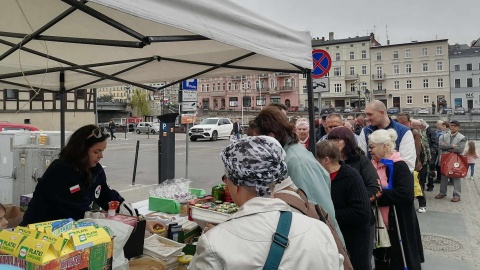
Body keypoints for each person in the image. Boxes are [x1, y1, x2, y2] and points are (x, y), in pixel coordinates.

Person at [190, 136, 344, 269]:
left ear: (236, 184)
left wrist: (214, 236)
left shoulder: (214, 244)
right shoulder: (320, 231)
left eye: (226, 179)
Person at [20, 125, 161, 232]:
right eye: (96, 151)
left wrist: (141, 220)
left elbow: (108, 197)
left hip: (69, 232)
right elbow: (79, 213)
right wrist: (123, 222)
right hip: (39, 232)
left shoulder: (96, 170)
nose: (101, 156)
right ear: (80, 150)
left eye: (102, 151)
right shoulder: (61, 171)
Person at [249, 106, 344, 244]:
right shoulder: (287, 155)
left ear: (271, 136)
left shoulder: (297, 161)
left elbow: (319, 210)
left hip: (319, 245)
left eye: (257, 140)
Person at [369, 129, 424, 270]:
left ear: (385, 147)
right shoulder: (371, 165)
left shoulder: (399, 165)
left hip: (398, 222)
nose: (369, 150)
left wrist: (376, 196)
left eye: (372, 147)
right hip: (380, 223)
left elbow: (405, 194)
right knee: (381, 260)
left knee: (400, 260)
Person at [316, 141, 371, 270]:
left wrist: (328, 215)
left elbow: (361, 212)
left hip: (354, 240)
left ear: (326, 160)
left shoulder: (350, 176)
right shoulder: (322, 177)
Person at [358, 100, 416, 172]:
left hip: (396, 180)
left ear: (381, 113)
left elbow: (408, 164)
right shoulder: (365, 131)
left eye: (370, 114)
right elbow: (361, 160)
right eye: (366, 115)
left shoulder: (403, 131)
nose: (366, 118)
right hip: (373, 180)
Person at [436, 120, 467, 202]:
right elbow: (440, 146)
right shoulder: (443, 136)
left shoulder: (462, 137)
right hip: (444, 159)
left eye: (454, 126)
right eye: (451, 125)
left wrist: (447, 147)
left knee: (456, 176)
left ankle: (457, 195)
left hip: (455, 159)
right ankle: (442, 192)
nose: (452, 127)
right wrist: (452, 146)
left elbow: (460, 149)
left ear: (458, 127)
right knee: (443, 175)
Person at [419, 119, 438, 191]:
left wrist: (431, 152)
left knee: (430, 169)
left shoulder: (430, 131)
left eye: (420, 126)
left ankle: (430, 185)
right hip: (424, 154)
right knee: (424, 171)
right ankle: (422, 186)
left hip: (431, 154)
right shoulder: (420, 131)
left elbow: (435, 143)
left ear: (422, 125)